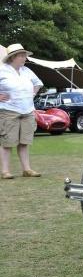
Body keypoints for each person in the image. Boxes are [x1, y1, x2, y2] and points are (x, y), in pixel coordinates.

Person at [0, 44, 44, 179]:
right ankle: (5, 171)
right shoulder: (2, 70)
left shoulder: (26, 71)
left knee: (24, 142)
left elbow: (38, 83)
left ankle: (27, 169)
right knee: (7, 142)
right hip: (9, 110)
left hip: (28, 110)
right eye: (22, 55)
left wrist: (33, 94)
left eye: (25, 55)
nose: (25, 58)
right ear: (13, 57)